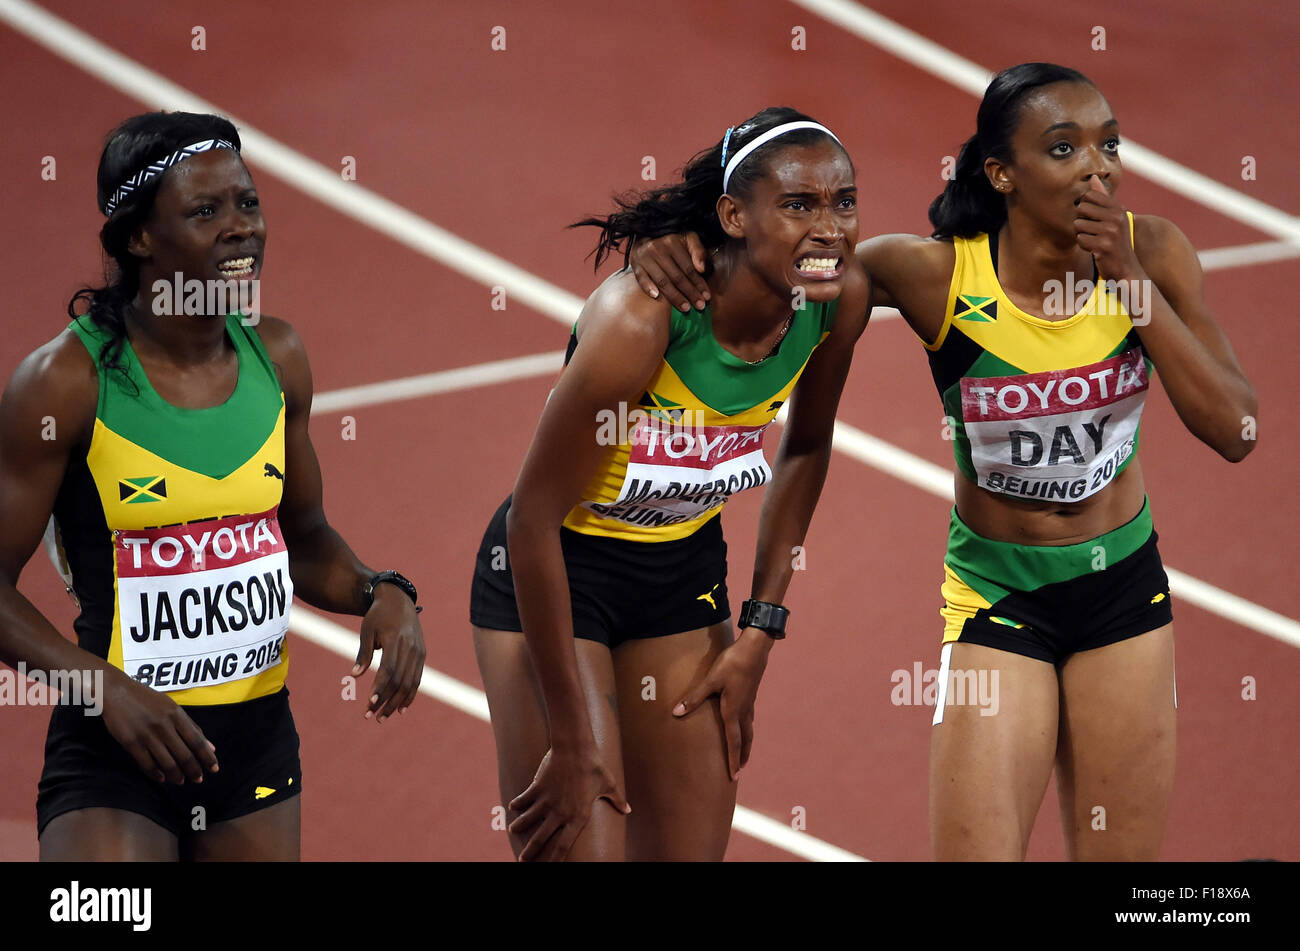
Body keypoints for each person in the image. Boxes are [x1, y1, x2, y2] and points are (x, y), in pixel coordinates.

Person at [629, 63, 1257, 860]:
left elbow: (1237, 429)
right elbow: (798, 258)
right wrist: (673, 247)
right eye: (1064, 149)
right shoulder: (935, 276)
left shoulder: (1154, 253)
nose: (1097, 168)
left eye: (1109, 146)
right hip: (1000, 601)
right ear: (1002, 173)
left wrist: (1131, 285)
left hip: (1123, 594)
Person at [0, 111, 426, 861]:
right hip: (117, 751)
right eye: (206, 210)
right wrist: (103, 689)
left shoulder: (279, 358)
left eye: (248, 203)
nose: (241, 229)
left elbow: (305, 537)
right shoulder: (65, 381)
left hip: (254, 753)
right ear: (139, 237)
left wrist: (379, 589)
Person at [469, 107, 870, 861]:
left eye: (843, 202)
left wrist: (761, 628)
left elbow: (807, 444)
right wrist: (571, 734)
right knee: (582, 834)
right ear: (732, 215)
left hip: (680, 574)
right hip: (558, 572)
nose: (830, 228)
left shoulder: (835, 302)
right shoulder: (643, 321)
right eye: (798, 205)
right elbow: (532, 523)